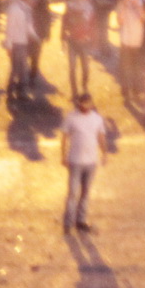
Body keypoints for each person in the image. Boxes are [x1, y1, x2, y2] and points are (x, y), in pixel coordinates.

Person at [59, 92, 106, 235]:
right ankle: (68, 222)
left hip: (91, 161)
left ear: (91, 104)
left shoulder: (97, 119)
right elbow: (64, 137)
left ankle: (81, 221)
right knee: (73, 193)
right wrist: (63, 156)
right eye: (83, 103)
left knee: (85, 193)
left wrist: (105, 153)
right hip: (75, 161)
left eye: (88, 103)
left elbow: (101, 136)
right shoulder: (71, 118)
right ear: (79, 103)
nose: (86, 106)